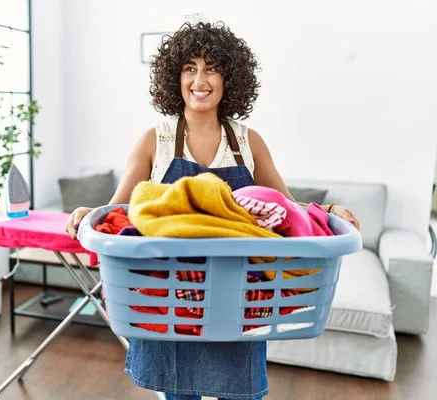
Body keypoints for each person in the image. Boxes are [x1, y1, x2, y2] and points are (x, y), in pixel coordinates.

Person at [66, 21, 359, 400]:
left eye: (211, 67)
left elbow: (284, 209)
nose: (199, 79)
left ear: (229, 78)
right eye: (190, 68)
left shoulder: (247, 141)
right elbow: (119, 209)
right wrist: (89, 211)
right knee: (178, 394)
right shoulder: (157, 139)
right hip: (171, 300)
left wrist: (330, 209)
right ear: (175, 77)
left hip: (235, 300)